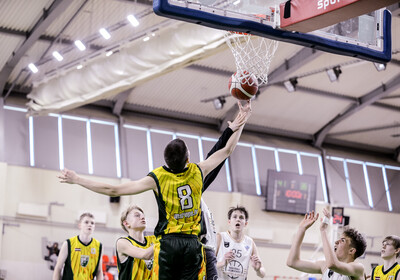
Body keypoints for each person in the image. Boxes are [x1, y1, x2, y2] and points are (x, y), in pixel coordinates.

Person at [58, 100, 252, 280]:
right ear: (187, 159)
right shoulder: (198, 171)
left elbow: (113, 189)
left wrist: (77, 179)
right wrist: (239, 122)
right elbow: (226, 150)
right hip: (192, 245)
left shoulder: (157, 178)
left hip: (168, 244)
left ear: (166, 160)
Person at [286, 208, 366, 280]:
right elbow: (292, 262)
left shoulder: (358, 268)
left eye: (342, 240)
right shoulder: (324, 266)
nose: (336, 242)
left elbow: (332, 264)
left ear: (351, 251)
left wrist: (323, 230)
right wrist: (301, 229)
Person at [216, 206, 266, 279]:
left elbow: (262, 274)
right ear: (229, 222)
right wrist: (222, 263)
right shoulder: (220, 237)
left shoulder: (250, 242)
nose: (238, 219)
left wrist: (258, 270)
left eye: (241, 217)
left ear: (245, 223)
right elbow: (207, 265)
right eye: (235, 217)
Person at [53, 212, 103, 280]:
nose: (90, 225)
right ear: (80, 225)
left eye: (92, 223)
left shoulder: (99, 246)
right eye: (86, 222)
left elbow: (99, 271)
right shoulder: (68, 244)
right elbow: (58, 267)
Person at [116, 205, 156, 280]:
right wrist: (163, 240)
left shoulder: (153, 239)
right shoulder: (122, 242)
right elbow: (145, 255)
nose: (142, 217)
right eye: (137, 215)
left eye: (143, 216)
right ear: (126, 223)